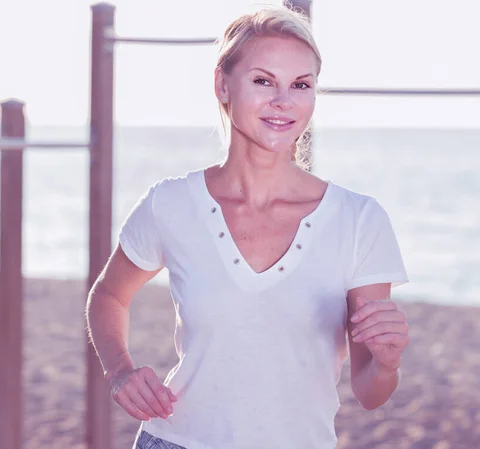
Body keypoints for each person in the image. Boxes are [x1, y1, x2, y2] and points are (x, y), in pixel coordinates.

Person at [85, 4, 410, 449]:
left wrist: (388, 364)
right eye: (263, 81)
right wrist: (120, 370)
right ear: (223, 85)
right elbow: (108, 295)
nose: (283, 101)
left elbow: (371, 393)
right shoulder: (172, 203)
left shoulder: (359, 220)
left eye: (301, 85)